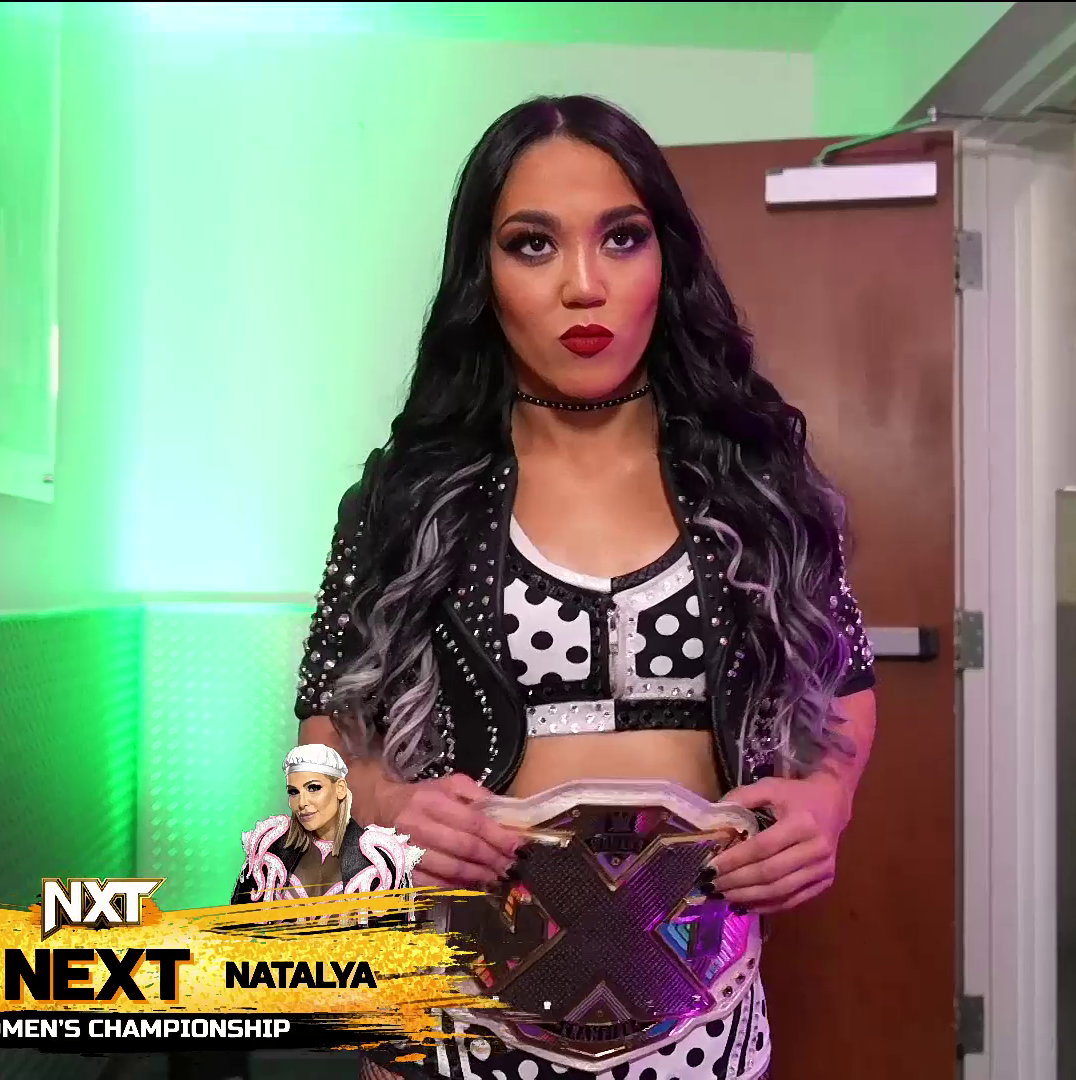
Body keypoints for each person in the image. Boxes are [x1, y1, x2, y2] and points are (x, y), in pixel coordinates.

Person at [297, 93, 879, 1080]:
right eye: (533, 244)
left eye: (622, 238)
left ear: (668, 260)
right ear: (481, 275)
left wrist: (828, 800)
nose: (583, 285)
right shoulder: (402, 500)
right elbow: (322, 733)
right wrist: (383, 805)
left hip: (704, 1038)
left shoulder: (758, 487)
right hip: (451, 1035)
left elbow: (848, 688)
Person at [230, 743, 422, 901]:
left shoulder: (379, 860)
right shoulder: (269, 850)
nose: (302, 802)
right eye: (293, 792)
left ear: (340, 789)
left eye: (313, 788)